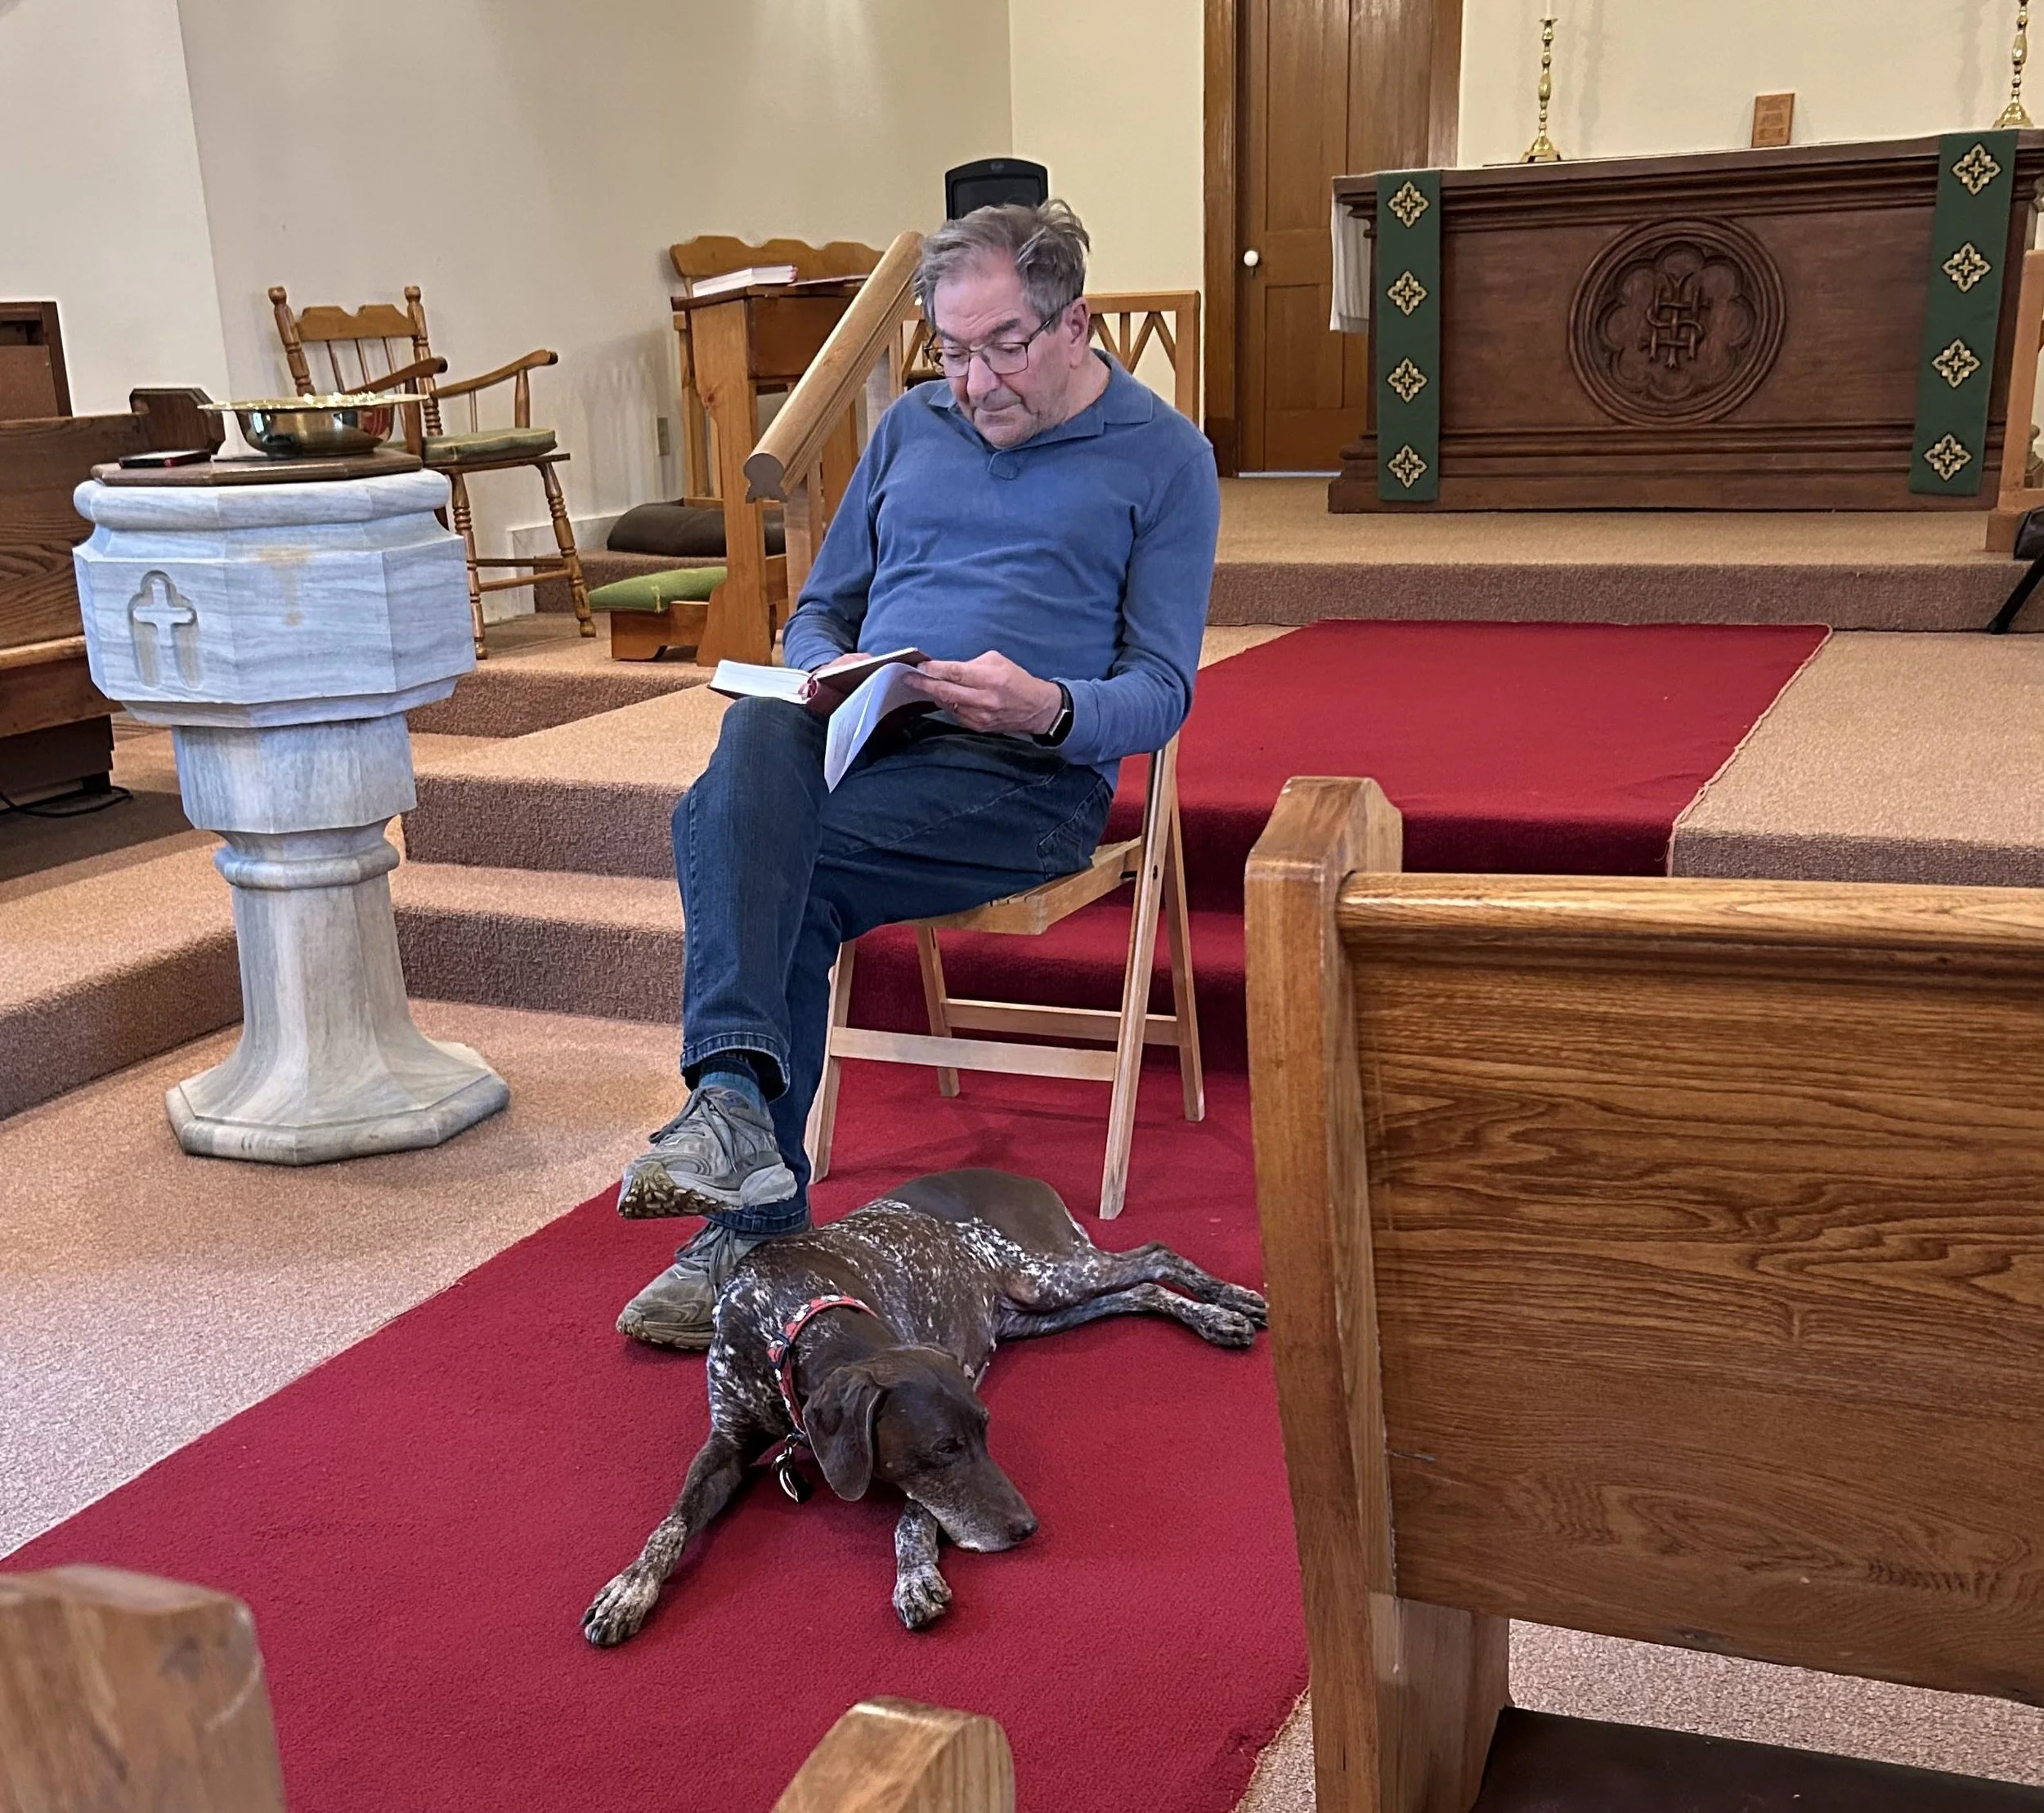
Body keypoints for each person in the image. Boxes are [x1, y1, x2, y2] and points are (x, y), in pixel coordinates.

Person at [613, 199, 1221, 1349]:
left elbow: (1162, 687)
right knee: (755, 735)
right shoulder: (912, 428)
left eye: (1003, 347)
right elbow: (823, 608)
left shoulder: (1165, 459)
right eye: (949, 350)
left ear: (1075, 321)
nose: (974, 382)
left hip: (1025, 776)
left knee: (752, 848)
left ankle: (748, 1194)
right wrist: (822, 668)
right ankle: (743, 1128)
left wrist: (1047, 706)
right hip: (871, 737)